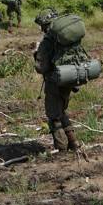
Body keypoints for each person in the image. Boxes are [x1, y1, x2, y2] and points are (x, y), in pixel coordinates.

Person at [33, 9, 87, 152]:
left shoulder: (48, 41)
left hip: (54, 81)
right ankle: (74, 143)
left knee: (53, 117)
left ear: (45, 25)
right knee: (61, 111)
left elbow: (40, 67)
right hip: (69, 78)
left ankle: (61, 149)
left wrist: (37, 57)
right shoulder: (66, 38)